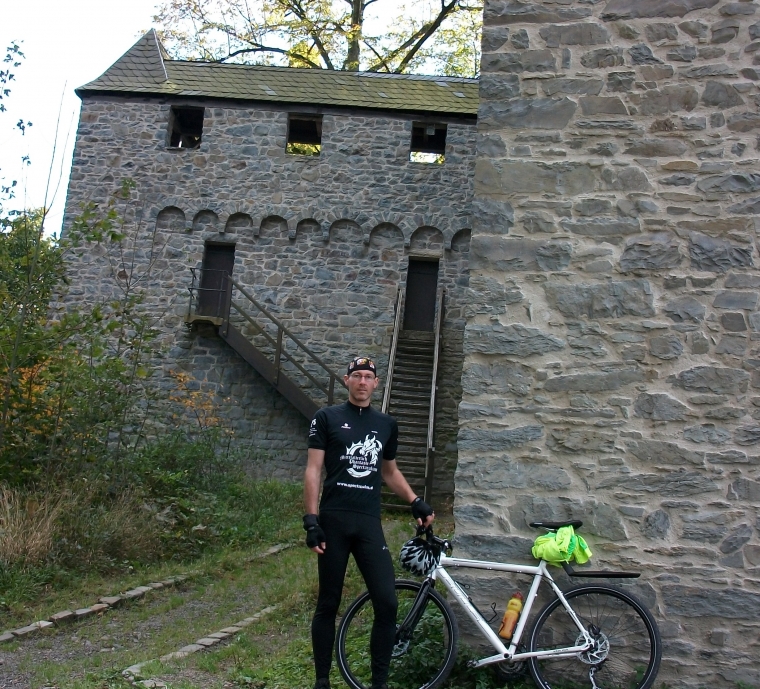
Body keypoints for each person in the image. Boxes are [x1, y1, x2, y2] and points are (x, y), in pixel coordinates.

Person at [303, 356, 435, 689]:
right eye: (357, 376)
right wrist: (311, 520)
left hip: (367, 522)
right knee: (328, 602)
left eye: (368, 377)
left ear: (376, 384)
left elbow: (389, 471)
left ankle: (379, 683)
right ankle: (322, 680)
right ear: (347, 381)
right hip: (333, 521)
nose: (362, 382)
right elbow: (313, 470)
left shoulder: (386, 424)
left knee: (387, 603)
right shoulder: (326, 418)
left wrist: (414, 501)